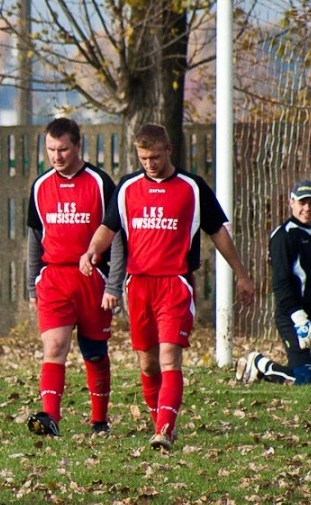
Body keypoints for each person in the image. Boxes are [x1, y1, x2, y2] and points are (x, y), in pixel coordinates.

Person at [80, 123, 255, 451]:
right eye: (143, 157)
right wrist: (92, 250)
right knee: (147, 363)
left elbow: (218, 231)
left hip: (175, 283)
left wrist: (241, 274)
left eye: (155, 157)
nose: (149, 163)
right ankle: (158, 421)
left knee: (169, 358)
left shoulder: (192, 187)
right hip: (139, 285)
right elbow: (109, 226)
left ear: (169, 151)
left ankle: (164, 429)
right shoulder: (128, 187)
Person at [25, 118, 125, 438]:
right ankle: (50, 417)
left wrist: (113, 284)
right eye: (51, 149)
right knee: (54, 346)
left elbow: (116, 233)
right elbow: (34, 236)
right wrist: (31, 283)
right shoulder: (40, 186)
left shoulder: (99, 182)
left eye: (63, 149)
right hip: (54, 277)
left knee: (94, 351)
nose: (57, 156)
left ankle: (99, 421)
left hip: (92, 278)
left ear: (78, 146)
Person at [236, 180, 311, 385]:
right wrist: (298, 318)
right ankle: (260, 364)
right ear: (291, 202)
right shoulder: (283, 236)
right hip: (292, 315)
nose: (306, 208)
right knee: (306, 380)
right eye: (302, 202)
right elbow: (280, 282)